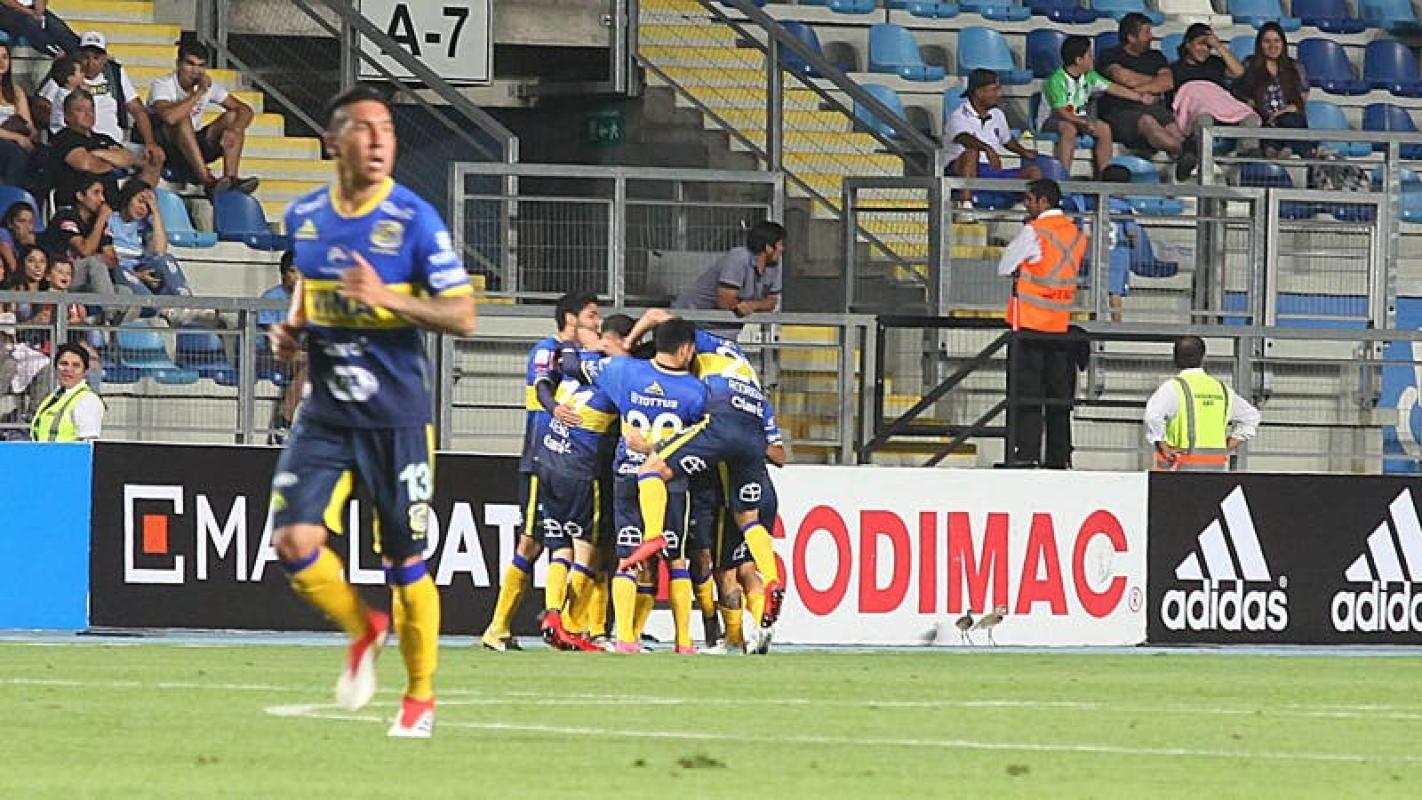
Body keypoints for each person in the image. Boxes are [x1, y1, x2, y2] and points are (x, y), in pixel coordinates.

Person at [266, 86, 476, 739]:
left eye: (387, 128)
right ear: (334, 142)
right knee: (292, 542)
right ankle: (365, 628)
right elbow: (311, 278)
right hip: (327, 413)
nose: (381, 139)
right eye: (365, 127)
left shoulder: (414, 219)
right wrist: (293, 328)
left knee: (405, 565)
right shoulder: (305, 215)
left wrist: (389, 297)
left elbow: (463, 315)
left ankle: (420, 697)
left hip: (396, 418)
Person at [577, 317, 709, 654]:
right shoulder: (696, 391)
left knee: (627, 557)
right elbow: (701, 441)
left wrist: (607, 346)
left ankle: (625, 638)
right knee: (676, 561)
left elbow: (583, 364)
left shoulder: (624, 371)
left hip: (627, 476)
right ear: (686, 349)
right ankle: (683, 642)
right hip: (670, 483)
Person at [480, 290, 602, 653]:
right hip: (539, 461)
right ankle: (498, 628)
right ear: (571, 318)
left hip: (567, 463)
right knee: (531, 543)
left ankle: (564, 626)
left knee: (565, 547)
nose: (597, 322)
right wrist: (555, 410)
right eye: (591, 315)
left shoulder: (584, 357)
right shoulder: (547, 350)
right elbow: (541, 385)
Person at [997, 178, 1085, 468]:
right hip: (1060, 324)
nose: (1026, 204)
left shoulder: (1035, 231)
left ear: (1043, 201)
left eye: (1029, 199)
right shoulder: (1075, 233)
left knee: (1027, 397)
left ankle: (1027, 455)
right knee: (1059, 400)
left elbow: (1004, 266)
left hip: (1030, 325)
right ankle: (1059, 458)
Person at [40, 32, 163, 188]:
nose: (90, 63)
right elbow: (41, 104)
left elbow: (137, 109)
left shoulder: (115, 73)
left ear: (105, 58)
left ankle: (140, 197)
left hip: (112, 142)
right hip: (77, 143)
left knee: (155, 158)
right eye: (86, 57)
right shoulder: (68, 72)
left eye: (96, 57)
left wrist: (150, 143)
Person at [147, 37, 258, 196]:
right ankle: (208, 182)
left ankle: (230, 179)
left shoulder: (207, 86)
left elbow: (245, 110)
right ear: (178, 64)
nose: (195, 71)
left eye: (200, 66)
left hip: (191, 147)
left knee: (233, 117)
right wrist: (199, 93)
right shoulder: (162, 85)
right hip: (165, 149)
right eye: (190, 64)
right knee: (182, 119)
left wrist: (235, 129)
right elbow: (169, 118)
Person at [1097, 13, 1194, 179]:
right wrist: (1152, 82)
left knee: (1172, 125)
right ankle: (1183, 152)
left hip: (1153, 106)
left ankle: (1187, 154)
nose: (1151, 37)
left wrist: (1137, 89)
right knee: (1147, 121)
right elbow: (1122, 77)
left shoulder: (1156, 57)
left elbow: (1167, 82)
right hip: (1121, 112)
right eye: (1147, 32)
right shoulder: (1110, 55)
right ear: (1131, 37)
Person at [1145, 336, 1260, 470]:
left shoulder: (1172, 388)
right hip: (1216, 466)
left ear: (1175, 358)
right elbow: (1252, 417)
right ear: (1203, 357)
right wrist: (1227, 446)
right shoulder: (1222, 389)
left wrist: (1162, 445)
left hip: (1180, 465)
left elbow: (1152, 417)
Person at [1040, 36, 1140, 179]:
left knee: (1104, 129)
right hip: (1053, 119)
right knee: (1069, 129)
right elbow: (1062, 112)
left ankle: (1104, 176)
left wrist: (1139, 97)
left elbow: (1112, 88)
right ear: (1078, 60)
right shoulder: (1056, 80)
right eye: (1089, 56)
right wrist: (1083, 122)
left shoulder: (1089, 76)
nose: (1092, 59)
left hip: (1079, 118)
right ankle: (1063, 176)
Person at [673, 220, 783, 335]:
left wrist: (752, 305)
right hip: (691, 321)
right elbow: (725, 300)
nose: (782, 249)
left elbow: (771, 303)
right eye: (780, 244)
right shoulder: (739, 257)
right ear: (768, 247)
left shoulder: (774, 266)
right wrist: (753, 305)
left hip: (725, 327)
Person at [944, 69, 1044, 193]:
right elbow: (964, 138)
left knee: (1033, 172)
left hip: (992, 170)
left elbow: (1007, 140)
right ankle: (966, 203)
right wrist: (987, 149)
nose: (999, 93)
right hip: (962, 170)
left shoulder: (997, 114)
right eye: (995, 89)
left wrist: (1024, 151)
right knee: (971, 154)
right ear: (979, 92)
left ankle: (1025, 205)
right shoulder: (958, 116)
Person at [1170, 24, 1259, 152]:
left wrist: (1219, 46)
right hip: (1197, 111)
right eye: (1201, 44)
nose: (1204, 49)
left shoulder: (1215, 63)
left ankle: (1247, 156)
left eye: (1209, 46)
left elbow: (1238, 72)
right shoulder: (1176, 68)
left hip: (1221, 107)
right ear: (1188, 44)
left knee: (1249, 117)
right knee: (1204, 117)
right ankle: (1203, 157)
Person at [106, 179, 194, 299]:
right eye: (140, 201)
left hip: (142, 271)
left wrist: (156, 211)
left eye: (148, 206)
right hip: (119, 273)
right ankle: (154, 306)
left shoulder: (144, 225)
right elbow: (106, 259)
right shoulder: (110, 219)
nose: (143, 208)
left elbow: (160, 251)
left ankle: (186, 301)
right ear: (128, 197)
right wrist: (137, 275)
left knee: (166, 259)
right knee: (120, 270)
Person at [1235, 22, 1312, 159]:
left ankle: (1288, 149)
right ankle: (1274, 150)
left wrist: (1285, 111)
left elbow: (1302, 98)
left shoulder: (1294, 67)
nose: (1272, 46)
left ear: (1283, 44)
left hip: (1289, 119)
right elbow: (1239, 92)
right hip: (1264, 119)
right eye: (1267, 41)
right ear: (1260, 44)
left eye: (1277, 41)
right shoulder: (1250, 64)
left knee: (1292, 120)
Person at [48, 89, 133, 208]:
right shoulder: (63, 138)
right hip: (78, 207)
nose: (88, 114)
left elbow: (128, 158)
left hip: (112, 207)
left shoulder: (104, 138)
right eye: (80, 110)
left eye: (91, 110)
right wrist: (114, 160)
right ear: (67, 116)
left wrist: (97, 154)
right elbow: (86, 164)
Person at [45, 175, 123, 302]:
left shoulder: (97, 222)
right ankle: (111, 310)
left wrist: (100, 256)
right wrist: (101, 219)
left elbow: (112, 260)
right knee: (94, 263)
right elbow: (85, 251)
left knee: (125, 292)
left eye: (102, 194)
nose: (102, 199)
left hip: (86, 279)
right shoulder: (66, 216)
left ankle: (107, 312)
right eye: (96, 193)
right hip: (61, 274)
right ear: (80, 196)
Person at [29, 343, 103, 441]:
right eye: (64, 364)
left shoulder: (88, 400)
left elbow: (88, 443)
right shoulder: (54, 397)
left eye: (76, 365)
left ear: (85, 371)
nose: (68, 369)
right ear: (55, 367)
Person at [0, 41, 35, 187]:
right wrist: (17, 137)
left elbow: (28, 124)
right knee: (16, 154)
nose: (1, 62)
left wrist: (30, 136)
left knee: (48, 155)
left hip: (17, 139)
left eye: (5, 57)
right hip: (5, 139)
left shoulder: (16, 91)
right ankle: (10, 197)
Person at [0, 1, 79, 56]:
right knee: (28, 23)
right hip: (6, 11)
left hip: (30, 10)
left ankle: (78, 52)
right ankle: (56, 52)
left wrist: (39, 13)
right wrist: (29, 12)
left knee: (54, 24)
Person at [0, 201, 36, 281]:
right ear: (10, 223)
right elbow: (14, 269)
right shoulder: (3, 234)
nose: (28, 227)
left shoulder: (21, 242)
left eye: (30, 222)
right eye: (21, 221)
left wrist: (30, 247)